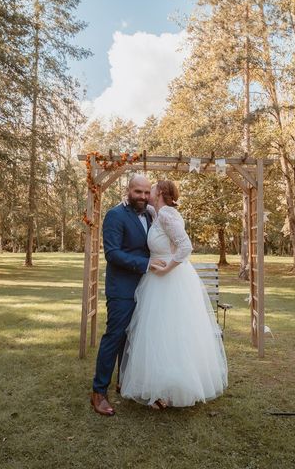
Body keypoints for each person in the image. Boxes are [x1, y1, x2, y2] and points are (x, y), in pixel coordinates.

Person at [120, 180, 228, 409]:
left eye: (151, 190)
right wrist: (124, 200)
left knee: (171, 333)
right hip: (156, 282)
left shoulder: (168, 215)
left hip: (170, 280)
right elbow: (142, 206)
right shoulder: (157, 212)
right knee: (157, 333)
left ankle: (171, 391)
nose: (147, 194)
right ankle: (159, 387)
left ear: (159, 193)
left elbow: (185, 247)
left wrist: (167, 268)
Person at [90, 174, 166, 416]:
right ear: (128, 190)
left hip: (147, 287)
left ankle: (125, 381)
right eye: (138, 192)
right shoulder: (115, 215)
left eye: (146, 193)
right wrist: (147, 262)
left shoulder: (150, 214)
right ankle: (99, 391)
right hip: (122, 288)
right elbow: (112, 253)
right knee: (114, 336)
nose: (143, 197)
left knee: (134, 338)